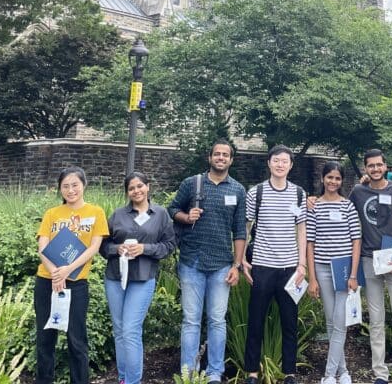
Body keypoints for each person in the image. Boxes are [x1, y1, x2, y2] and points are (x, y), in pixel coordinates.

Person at [168, 140, 248, 383]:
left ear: (231, 160)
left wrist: (237, 265)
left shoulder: (237, 190)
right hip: (192, 261)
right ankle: (189, 373)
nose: (221, 158)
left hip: (222, 265)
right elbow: (171, 209)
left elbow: (240, 231)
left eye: (225, 155)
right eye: (217, 154)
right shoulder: (192, 183)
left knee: (217, 321)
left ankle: (215, 373)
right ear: (210, 157)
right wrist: (185, 215)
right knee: (191, 321)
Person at [35, 166, 109, 384]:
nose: (70, 190)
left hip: (76, 283)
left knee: (76, 340)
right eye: (65, 186)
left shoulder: (96, 212)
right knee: (45, 338)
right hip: (46, 281)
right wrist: (55, 273)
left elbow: (94, 247)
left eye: (74, 185)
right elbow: (42, 246)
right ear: (60, 189)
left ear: (84, 185)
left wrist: (67, 270)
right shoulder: (52, 214)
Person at [102, 171, 177, 384]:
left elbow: (169, 245)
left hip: (142, 278)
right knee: (119, 330)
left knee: (131, 330)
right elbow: (103, 245)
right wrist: (118, 249)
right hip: (116, 277)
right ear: (127, 192)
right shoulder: (117, 215)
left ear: (148, 186)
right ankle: (123, 378)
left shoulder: (161, 214)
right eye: (131, 188)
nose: (136, 191)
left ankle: (133, 381)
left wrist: (144, 248)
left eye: (140, 186)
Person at [242, 145, 307, 384]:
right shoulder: (256, 192)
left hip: (290, 268)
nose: (280, 165)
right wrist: (241, 260)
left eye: (285, 161)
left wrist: (302, 265)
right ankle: (252, 372)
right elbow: (246, 227)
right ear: (269, 163)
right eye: (276, 160)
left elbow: (302, 229)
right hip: (262, 266)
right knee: (256, 320)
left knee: (290, 322)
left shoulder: (299, 193)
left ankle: (289, 372)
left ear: (291, 165)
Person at [349, 149, 392, 384]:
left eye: (379, 165)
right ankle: (380, 372)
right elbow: (343, 211)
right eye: (370, 166)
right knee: (375, 319)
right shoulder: (358, 191)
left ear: (386, 166)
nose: (375, 169)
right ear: (365, 169)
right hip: (369, 260)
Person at [306, 162, 362, 384]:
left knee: (339, 321)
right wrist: (312, 277)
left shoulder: (347, 206)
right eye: (329, 177)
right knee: (331, 321)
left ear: (341, 181)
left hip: (344, 269)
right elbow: (310, 243)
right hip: (321, 268)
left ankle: (329, 374)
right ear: (323, 179)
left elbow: (356, 240)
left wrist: (354, 274)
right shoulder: (314, 207)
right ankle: (344, 371)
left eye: (337, 178)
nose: (333, 182)